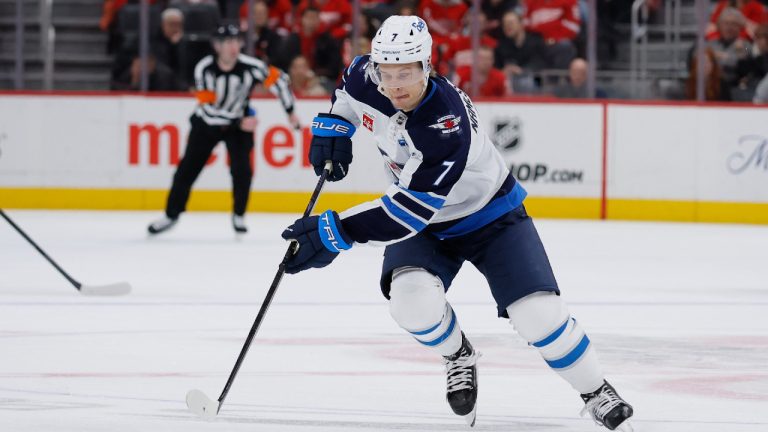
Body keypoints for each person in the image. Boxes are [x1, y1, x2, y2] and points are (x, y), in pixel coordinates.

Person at [280, 15, 634, 431]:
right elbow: (346, 93)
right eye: (386, 73)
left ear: (426, 66)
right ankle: (459, 355)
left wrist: (334, 230)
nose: (394, 85)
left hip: (490, 216)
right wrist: (336, 125)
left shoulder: (445, 124)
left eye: (406, 74)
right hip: (428, 226)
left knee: (539, 316)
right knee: (410, 303)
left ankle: (595, 390)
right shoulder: (365, 74)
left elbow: (407, 211)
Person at [147, 24, 299, 235]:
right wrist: (239, 121)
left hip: (238, 127)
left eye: (237, 41)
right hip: (207, 125)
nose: (233, 46)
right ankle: (171, 215)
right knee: (187, 170)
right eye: (228, 42)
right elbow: (207, 110)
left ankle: (239, 214)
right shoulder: (204, 68)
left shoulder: (251, 66)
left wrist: (290, 112)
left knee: (242, 171)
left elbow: (280, 81)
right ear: (217, 46)